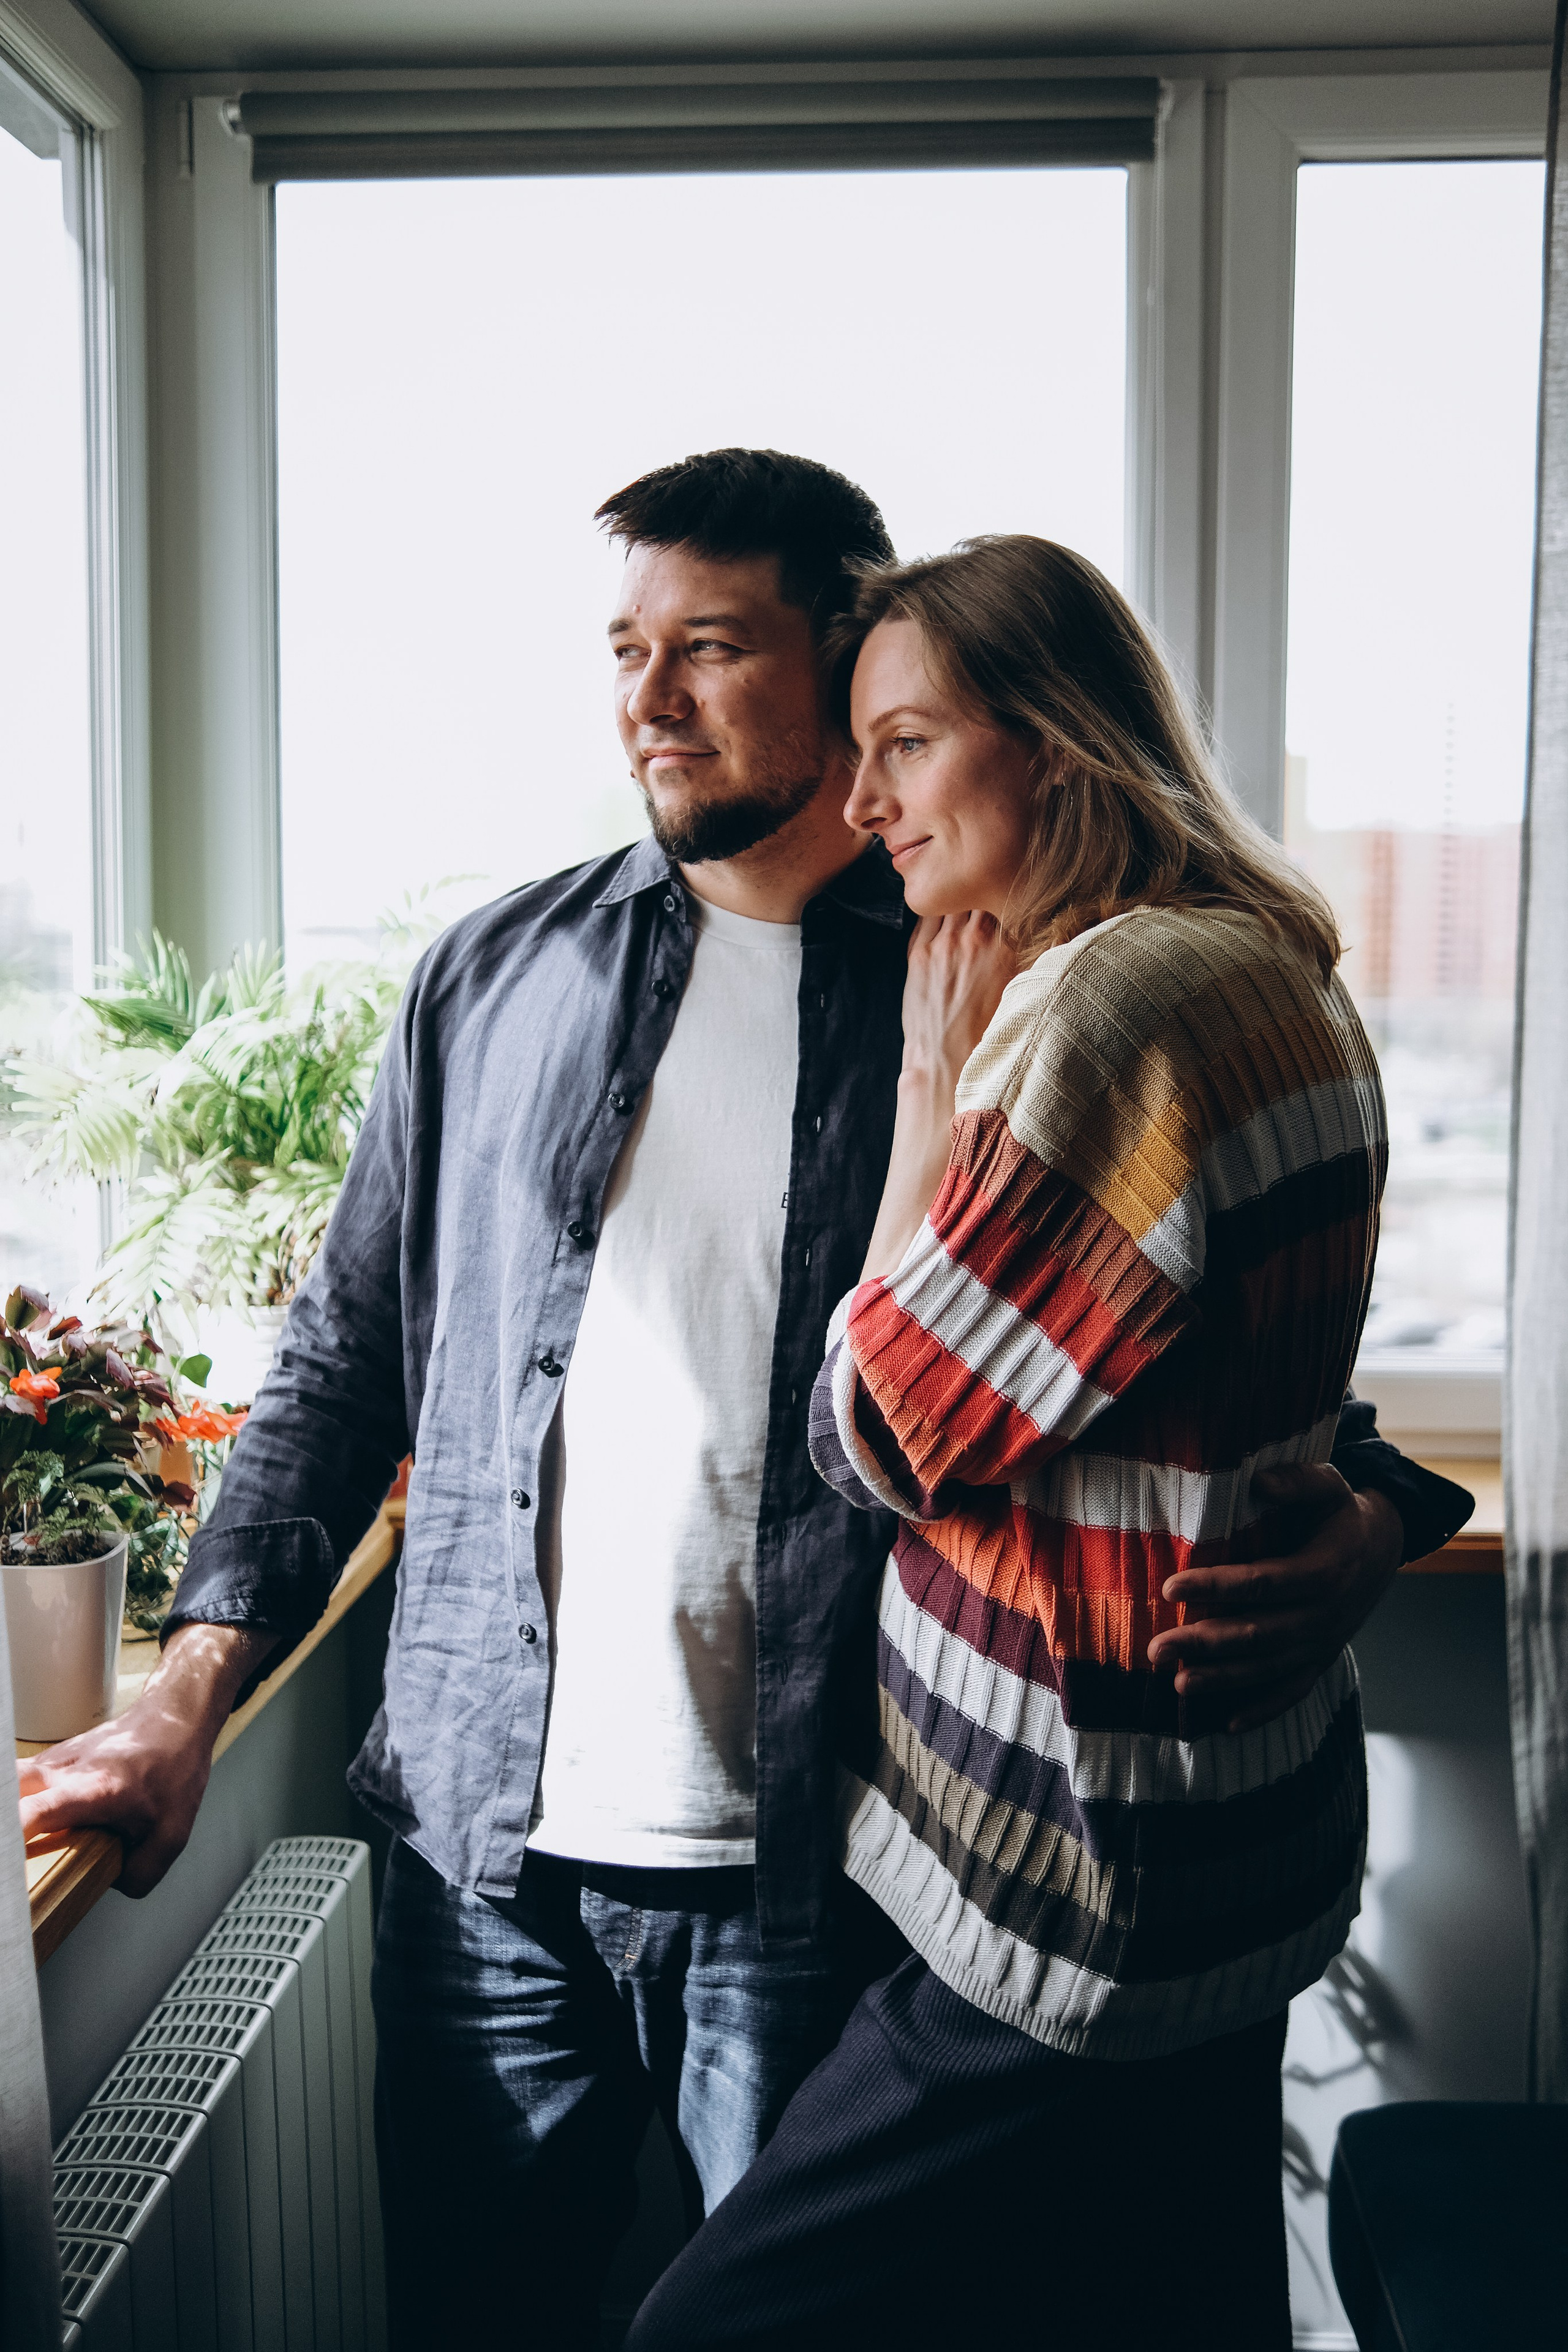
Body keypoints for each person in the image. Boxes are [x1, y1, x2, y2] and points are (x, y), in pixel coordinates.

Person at [17, 459, 1468, 2348]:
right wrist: (183, 1697)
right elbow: (341, 1359)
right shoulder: (491, 980)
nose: (650, 698)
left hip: (824, 1872)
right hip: (488, 1874)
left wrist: (1368, 1523)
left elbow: (1206, 1353)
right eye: (627, 650)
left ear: (844, 662)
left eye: (708, 647)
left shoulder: (985, 972)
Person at [626, 534, 1445, 2352]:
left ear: (1055, 746)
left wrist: (931, 1105)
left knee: (710, 2327)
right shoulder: (1282, 966)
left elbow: (880, 1427)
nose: (866, 804)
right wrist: (1378, 1515)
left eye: (907, 746)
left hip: (1073, 1877)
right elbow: (1238, 1387)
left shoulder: (1105, 1012)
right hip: (1231, 1836)